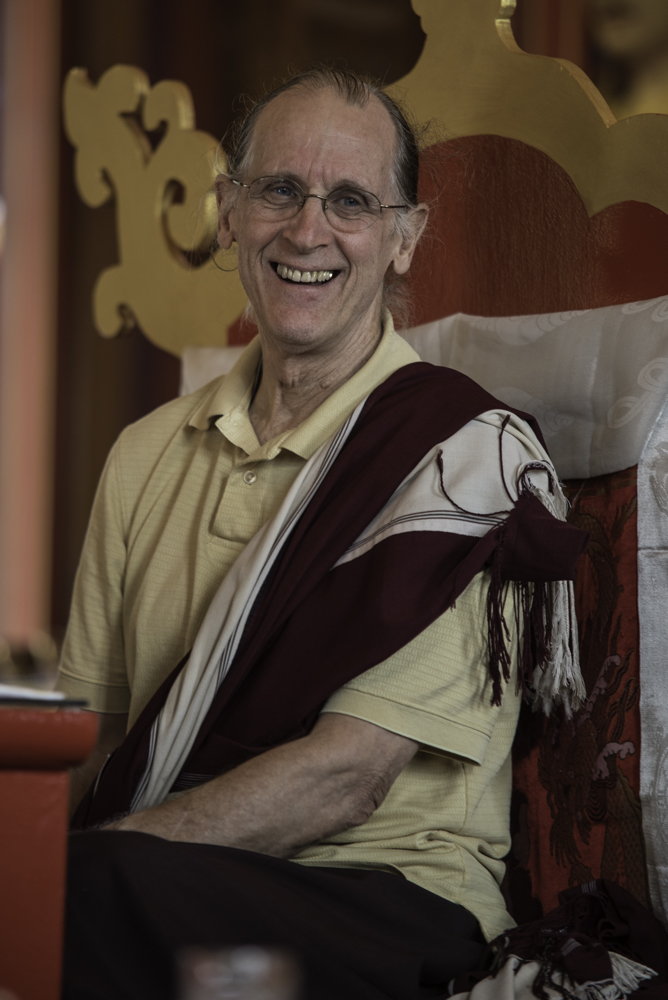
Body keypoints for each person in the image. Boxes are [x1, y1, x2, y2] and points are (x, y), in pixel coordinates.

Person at [57, 68, 587, 1000]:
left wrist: (73, 871)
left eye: (350, 201)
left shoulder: (459, 462)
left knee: (89, 908)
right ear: (229, 212)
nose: (307, 231)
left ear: (404, 237)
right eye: (279, 190)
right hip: (165, 894)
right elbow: (86, 746)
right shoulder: (145, 453)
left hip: (385, 921)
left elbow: (346, 777)